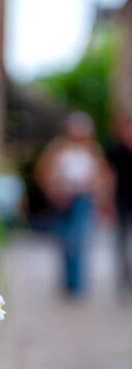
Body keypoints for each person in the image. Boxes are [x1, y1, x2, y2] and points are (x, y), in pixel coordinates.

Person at [35, 112, 110, 296]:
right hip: (62, 198)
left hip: (82, 198)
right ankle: (68, 281)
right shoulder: (57, 148)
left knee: (78, 238)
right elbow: (43, 171)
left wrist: (96, 193)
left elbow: (101, 176)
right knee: (65, 239)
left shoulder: (92, 150)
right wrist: (54, 189)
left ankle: (77, 283)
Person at [106, 116, 132, 293]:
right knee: (121, 242)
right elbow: (108, 178)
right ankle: (124, 279)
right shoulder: (115, 153)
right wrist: (107, 201)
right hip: (122, 201)